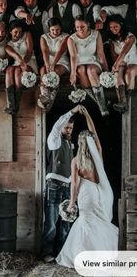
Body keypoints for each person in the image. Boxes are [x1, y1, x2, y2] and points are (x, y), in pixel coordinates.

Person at [56, 106, 118, 268]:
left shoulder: (75, 161)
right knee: (100, 222)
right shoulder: (98, 152)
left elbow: (75, 184)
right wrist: (87, 114)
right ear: (92, 142)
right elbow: (94, 133)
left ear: (79, 141)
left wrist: (71, 203)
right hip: (103, 192)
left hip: (87, 193)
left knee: (86, 222)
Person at [41, 105, 83, 263]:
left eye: (71, 128)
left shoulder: (70, 143)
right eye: (67, 127)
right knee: (51, 222)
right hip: (54, 185)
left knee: (66, 222)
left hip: (67, 187)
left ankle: (61, 254)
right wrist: (72, 111)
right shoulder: (54, 139)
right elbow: (59, 123)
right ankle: (46, 253)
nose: (69, 130)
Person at [68, 15, 109, 117]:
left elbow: (100, 54)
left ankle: (101, 105)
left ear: (88, 25)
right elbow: (73, 56)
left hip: (93, 62)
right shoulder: (71, 39)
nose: (79, 29)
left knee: (90, 70)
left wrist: (107, 71)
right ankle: (101, 105)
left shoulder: (96, 34)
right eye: (77, 27)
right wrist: (72, 73)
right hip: (79, 63)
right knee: (81, 70)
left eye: (82, 27)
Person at [4, 19, 38, 114]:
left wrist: (24, 64)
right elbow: (14, 55)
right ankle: (11, 104)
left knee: (18, 71)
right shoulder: (8, 45)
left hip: (29, 61)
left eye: (20, 32)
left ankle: (16, 103)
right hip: (17, 62)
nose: (18, 34)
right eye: (15, 32)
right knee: (9, 70)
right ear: (10, 31)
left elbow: (30, 52)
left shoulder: (27, 35)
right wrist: (20, 62)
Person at [38, 17, 70, 112]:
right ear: (49, 29)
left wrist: (53, 64)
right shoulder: (44, 37)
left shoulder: (66, 36)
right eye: (52, 30)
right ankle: (45, 96)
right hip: (48, 60)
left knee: (54, 73)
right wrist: (47, 64)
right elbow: (45, 51)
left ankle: (49, 102)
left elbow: (60, 51)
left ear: (61, 28)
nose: (55, 32)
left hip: (61, 61)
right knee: (43, 71)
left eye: (57, 29)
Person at [107, 15, 137, 113]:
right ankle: (122, 101)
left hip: (133, 62)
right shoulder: (112, 40)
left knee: (129, 73)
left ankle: (126, 102)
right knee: (118, 73)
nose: (113, 29)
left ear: (121, 25)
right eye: (111, 27)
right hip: (121, 63)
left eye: (115, 26)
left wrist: (117, 64)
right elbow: (114, 57)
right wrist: (117, 66)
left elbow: (124, 52)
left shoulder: (130, 37)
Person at [14, 0, 45, 66]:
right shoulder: (21, 9)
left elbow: (46, 32)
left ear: (36, 0)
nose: (31, 3)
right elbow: (17, 12)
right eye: (28, 1)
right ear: (25, 1)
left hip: (38, 44)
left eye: (33, 0)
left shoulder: (44, 12)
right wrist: (26, 15)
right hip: (24, 45)